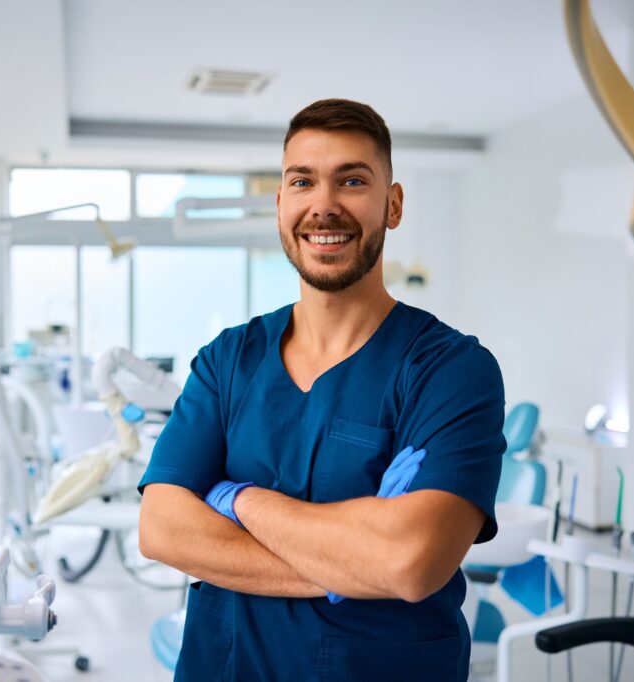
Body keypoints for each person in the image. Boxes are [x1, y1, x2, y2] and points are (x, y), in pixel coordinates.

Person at [138, 98, 505, 681]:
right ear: (281, 204)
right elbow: (161, 527)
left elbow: (409, 563)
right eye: (302, 182)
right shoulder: (229, 360)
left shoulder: (451, 371)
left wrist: (237, 499)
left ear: (394, 204)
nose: (324, 206)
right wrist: (351, 562)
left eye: (352, 180)